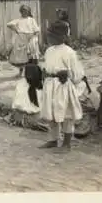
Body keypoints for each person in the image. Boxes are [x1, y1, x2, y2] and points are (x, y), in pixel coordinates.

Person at [38, 20, 85, 153]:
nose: (50, 38)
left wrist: (69, 77)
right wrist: (45, 73)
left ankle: (67, 143)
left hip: (63, 86)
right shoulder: (49, 50)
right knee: (51, 113)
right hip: (50, 85)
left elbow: (76, 72)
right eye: (49, 35)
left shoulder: (69, 52)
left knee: (66, 114)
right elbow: (47, 65)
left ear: (63, 37)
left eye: (53, 35)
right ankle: (53, 140)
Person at [7, 5, 40, 77]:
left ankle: (32, 73)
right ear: (20, 12)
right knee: (21, 57)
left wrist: (33, 37)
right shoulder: (18, 20)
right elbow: (9, 24)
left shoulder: (32, 20)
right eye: (22, 11)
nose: (24, 12)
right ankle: (20, 72)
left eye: (26, 11)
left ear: (28, 12)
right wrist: (16, 30)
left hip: (31, 38)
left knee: (31, 56)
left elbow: (37, 30)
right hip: (21, 38)